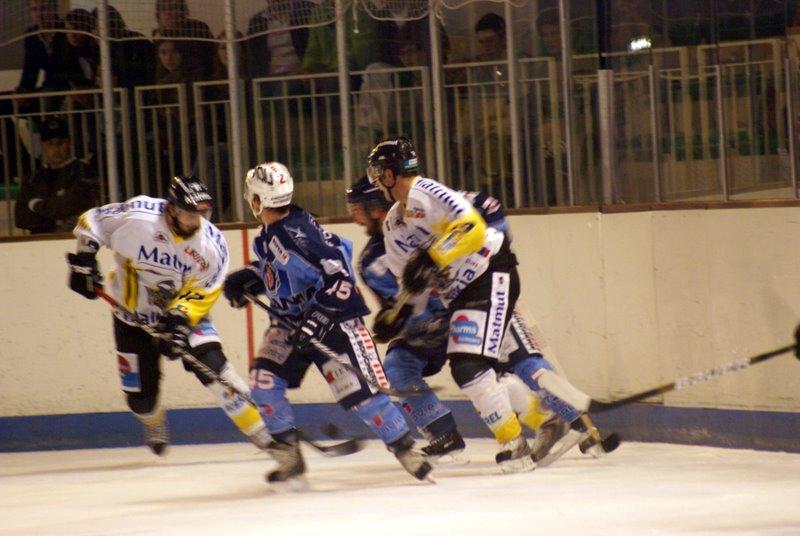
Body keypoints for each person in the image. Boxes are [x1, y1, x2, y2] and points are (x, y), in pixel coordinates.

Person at [349, 175, 584, 467]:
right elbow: (404, 298)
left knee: (511, 361)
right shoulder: (376, 254)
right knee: (403, 365)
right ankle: (445, 434)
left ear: (374, 203)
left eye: (357, 208)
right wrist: (398, 317)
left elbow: (484, 216)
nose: (355, 218)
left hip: (482, 288)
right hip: (440, 318)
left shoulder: (432, 204)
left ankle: (570, 419)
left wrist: (492, 254)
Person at [223, 161, 432, 484]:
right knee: (264, 382)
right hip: (292, 323)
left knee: (363, 397)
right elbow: (285, 271)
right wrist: (249, 277)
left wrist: (318, 317)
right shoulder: (275, 232)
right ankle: (288, 454)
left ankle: (405, 448)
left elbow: (339, 278)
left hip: (335, 322)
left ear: (256, 200)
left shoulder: (293, 233)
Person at [366, 137, 540, 472]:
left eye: (379, 170)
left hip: (490, 272)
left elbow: (472, 228)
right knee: (469, 367)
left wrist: (433, 256)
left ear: (391, 173)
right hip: (461, 292)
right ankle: (541, 418)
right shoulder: (392, 222)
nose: (375, 178)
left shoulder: (425, 191)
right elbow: (411, 282)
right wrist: (399, 314)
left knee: (469, 365)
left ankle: (516, 442)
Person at [65, 176, 271, 456]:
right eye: (188, 213)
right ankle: (154, 418)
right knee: (140, 401)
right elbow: (93, 220)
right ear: (171, 208)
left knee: (215, 367)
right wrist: (85, 260)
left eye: (201, 214)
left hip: (183, 316)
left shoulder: (211, 245)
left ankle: (266, 436)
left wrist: (178, 320)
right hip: (130, 317)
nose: (195, 221)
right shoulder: (138, 216)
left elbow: (204, 289)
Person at [14, 117, 99, 234]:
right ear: (43, 145)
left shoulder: (83, 172)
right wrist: (56, 221)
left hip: (73, 237)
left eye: (60, 143)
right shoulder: (32, 178)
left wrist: (34, 205)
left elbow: (67, 208)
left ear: (69, 142)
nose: (56, 148)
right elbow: (21, 219)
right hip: (38, 242)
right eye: (50, 143)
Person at [152, 0, 215, 80]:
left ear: (182, 11)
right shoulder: (157, 35)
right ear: (158, 14)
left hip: (201, 78)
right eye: (163, 9)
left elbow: (212, 58)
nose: (168, 13)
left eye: (173, 8)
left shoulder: (197, 28)